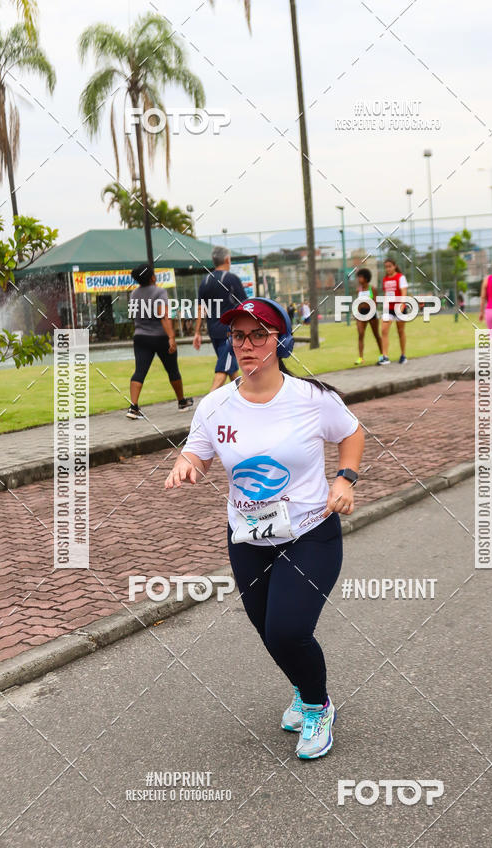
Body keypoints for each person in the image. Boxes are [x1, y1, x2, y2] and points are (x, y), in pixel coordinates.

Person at [165, 297, 364, 760]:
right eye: (238, 336)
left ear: (280, 341)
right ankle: (301, 687)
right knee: (266, 628)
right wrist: (186, 464)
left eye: (259, 335)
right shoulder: (216, 405)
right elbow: (197, 449)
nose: (247, 345)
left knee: (287, 630)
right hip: (249, 538)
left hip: (310, 532)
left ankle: (318, 706)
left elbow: (352, 433)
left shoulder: (313, 399)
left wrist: (345, 478)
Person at [127, 264, 193, 419]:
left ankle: (133, 407)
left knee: (139, 371)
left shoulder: (134, 294)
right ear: (152, 277)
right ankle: (182, 402)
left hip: (140, 337)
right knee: (172, 370)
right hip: (160, 337)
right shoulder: (159, 291)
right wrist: (171, 337)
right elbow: (163, 316)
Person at [193, 246, 247, 392]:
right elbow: (244, 306)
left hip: (213, 332)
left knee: (231, 369)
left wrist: (197, 332)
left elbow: (200, 309)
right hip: (229, 332)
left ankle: (241, 399)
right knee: (222, 370)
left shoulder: (205, 281)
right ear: (227, 259)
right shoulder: (231, 279)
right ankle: (207, 406)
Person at [378, 258, 408, 365]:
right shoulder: (385, 279)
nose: (388, 269)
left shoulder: (401, 277)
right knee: (384, 330)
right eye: (386, 267)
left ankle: (403, 355)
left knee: (400, 332)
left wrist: (402, 305)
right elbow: (386, 294)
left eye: (390, 266)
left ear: (394, 266)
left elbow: (404, 292)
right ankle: (385, 356)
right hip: (389, 309)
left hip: (399, 308)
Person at [353, 267, 384, 365]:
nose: (359, 279)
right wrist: (356, 313)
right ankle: (360, 357)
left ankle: (382, 354)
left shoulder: (372, 288)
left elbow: (375, 302)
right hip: (361, 313)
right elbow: (358, 302)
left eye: (360, 277)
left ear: (366, 278)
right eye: (358, 277)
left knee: (376, 335)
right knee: (360, 334)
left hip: (371, 312)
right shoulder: (358, 290)